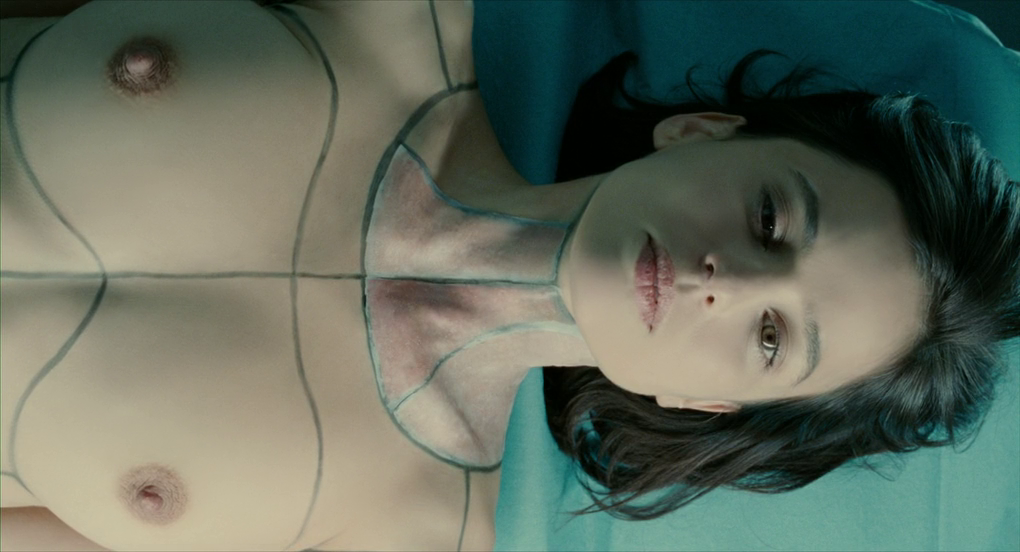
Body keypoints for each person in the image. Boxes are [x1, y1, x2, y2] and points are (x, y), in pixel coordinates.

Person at [0, 2, 1016, 552]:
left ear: (703, 403)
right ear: (703, 131)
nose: (728, 282)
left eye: (770, 338)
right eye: (770, 220)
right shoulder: (392, 19)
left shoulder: (405, 533)